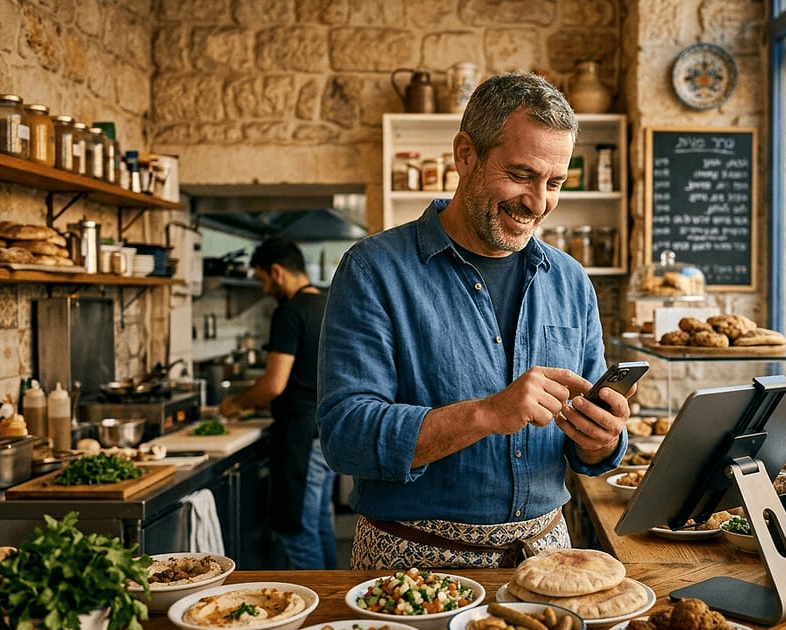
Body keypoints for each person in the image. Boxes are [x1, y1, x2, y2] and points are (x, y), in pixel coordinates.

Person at [316, 72, 629, 570]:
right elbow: (346, 436)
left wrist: (603, 439)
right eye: (522, 175)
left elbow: (588, 445)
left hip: (545, 554)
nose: (539, 202)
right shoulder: (373, 269)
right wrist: (485, 414)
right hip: (411, 562)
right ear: (466, 154)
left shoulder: (571, 281)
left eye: (555, 183)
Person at [218, 237, 336, 570]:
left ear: (277, 272)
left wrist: (236, 404)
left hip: (300, 435)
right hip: (326, 433)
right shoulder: (327, 304)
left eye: (263, 280)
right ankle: (337, 606)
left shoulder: (289, 312)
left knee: (297, 533)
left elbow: (274, 384)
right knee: (320, 525)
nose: (265, 289)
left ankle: (318, 611)